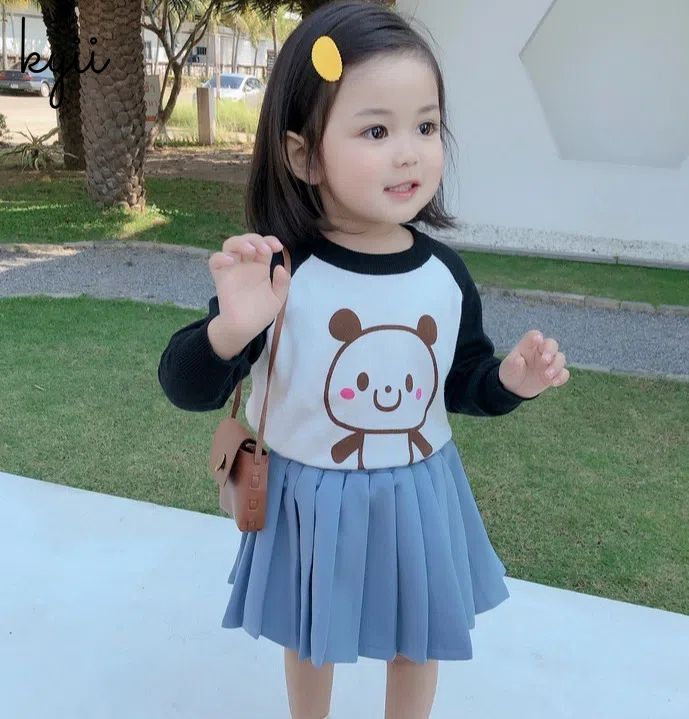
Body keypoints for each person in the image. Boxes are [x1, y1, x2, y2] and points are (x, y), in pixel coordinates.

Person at [157, 2, 570, 717]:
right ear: (303, 155)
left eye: (426, 126)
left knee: (418, 635)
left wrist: (509, 380)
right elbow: (185, 384)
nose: (409, 152)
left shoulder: (444, 274)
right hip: (308, 495)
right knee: (310, 631)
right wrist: (230, 329)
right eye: (376, 130)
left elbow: (459, 380)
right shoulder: (280, 272)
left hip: (418, 490)